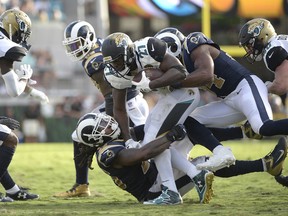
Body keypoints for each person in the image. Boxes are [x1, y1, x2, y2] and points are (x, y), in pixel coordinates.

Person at [101, 32, 232, 204]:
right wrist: (128, 140)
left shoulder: (147, 48)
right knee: (154, 140)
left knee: (151, 142)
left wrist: (151, 84)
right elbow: (119, 108)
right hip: (168, 98)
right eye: (112, 63)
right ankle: (195, 175)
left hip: (185, 94)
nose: (116, 66)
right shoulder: (114, 72)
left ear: (128, 52)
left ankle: (171, 192)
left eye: (117, 60)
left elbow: (180, 72)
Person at [74, 112, 287, 204]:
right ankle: (264, 164)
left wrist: (171, 123)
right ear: (95, 138)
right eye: (100, 126)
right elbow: (143, 153)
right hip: (152, 191)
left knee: (189, 125)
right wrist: (170, 136)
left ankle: (243, 134)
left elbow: (150, 130)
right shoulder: (106, 154)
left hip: (157, 175)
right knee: (202, 163)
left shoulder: (117, 137)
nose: (107, 123)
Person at [154, 27, 288, 172]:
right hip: (229, 99)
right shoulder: (182, 65)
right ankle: (221, 151)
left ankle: (248, 134)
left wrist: (172, 83)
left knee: (263, 127)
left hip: (245, 87)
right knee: (190, 121)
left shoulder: (193, 43)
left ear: (171, 46)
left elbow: (207, 74)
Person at [54, 20, 149, 198]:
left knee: (142, 141)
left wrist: (112, 124)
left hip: (127, 106)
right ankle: (81, 185)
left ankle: (163, 179)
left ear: (88, 38)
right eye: (71, 45)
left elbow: (112, 97)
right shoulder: (100, 43)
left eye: (77, 44)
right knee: (78, 134)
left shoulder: (94, 61)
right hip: (133, 101)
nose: (74, 49)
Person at [0, 8, 50, 202]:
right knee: (10, 139)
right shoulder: (4, 44)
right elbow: (14, 90)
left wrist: (33, 91)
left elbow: (13, 82)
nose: (22, 38)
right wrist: (25, 78)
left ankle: (12, 190)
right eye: (22, 32)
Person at [238, 17, 288, 186]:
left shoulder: (273, 51)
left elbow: (281, 85)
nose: (250, 49)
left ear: (261, 37)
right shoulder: (281, 41)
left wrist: (263, 89)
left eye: (250, 43)